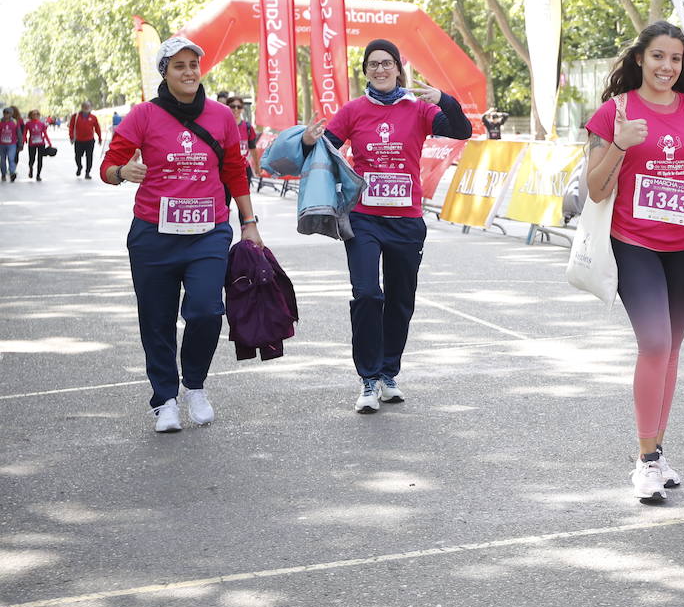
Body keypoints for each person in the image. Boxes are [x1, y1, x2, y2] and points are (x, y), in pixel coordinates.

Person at [583, 20, 684, 503]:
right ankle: (646, 461)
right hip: (635, 244)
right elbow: (595, 187)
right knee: (653, 342)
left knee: (670, 350)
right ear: (639, 60)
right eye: (658, 57)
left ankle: (657, 449)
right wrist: (622, 145)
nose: (667, 67)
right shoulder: (614, 113)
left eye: (676, 59)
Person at [99, 36, 264, 433]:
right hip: (153, 235)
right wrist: (123, 173)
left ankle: (194, 385)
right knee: (156, 320)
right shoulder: (143, 115)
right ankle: (165, 400)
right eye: (179, 66)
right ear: (165, 73)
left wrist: (249, 222)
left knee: (207, 309)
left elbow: (234, 172)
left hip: (207, 233)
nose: (189, 72)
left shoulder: (222, 116)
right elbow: (107, 167)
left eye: (194, 65)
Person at [301, 39, 473, 413]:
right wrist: (307, 141)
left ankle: (388, 374)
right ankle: (367, 379)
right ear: (365, 70)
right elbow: (322, 151)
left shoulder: (419, 109)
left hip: (406, 222)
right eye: (373, 64)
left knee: (399, 300)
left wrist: (443, 98)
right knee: (367, 294)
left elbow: (463, 131)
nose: (380, 70)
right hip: (363, 219)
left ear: (398, 68)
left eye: (387, 63)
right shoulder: (352, 111)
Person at [227, 97, 260, 181]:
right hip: (226, 170)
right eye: (233, 106)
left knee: (244, 194)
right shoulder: (223, 126)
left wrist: (257, 167)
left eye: (239, 107)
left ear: (242, 109)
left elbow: (253, 149)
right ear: (227, 107)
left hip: (244, 169)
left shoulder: (248, 128)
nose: (236, 109)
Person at [69, 101, 103, 179]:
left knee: (89, 157)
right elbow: (71, 127)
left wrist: (100, 138)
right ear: (82, 107)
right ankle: (79, 167)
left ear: (90, 107)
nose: (86, 108)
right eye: (85, 106)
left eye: (88, 107)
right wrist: (71, 137)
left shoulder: (93, 117)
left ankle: (87, 172)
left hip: (89, 140)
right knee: (77, 156)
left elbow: (97, 128)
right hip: (79, 140)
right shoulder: (75, 116)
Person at [22, 110, 50, 180]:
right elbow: (25, 132)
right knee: (32, 158)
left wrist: (49, 142)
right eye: (34, 114)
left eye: (37, 114)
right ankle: (31, 169)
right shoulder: (28, 124)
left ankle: (38, 175)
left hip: (41, 143)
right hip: (32, 143)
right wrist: (24, 140)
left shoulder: (41, 124)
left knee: (40, 159)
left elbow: (45, 133)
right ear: (30, 115)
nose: (35, 115)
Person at [0, 106, 20, 182]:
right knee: (2, 160)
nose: (6, 115)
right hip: (2, 144)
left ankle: (12, 173)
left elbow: (19, 133)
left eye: (8, 113)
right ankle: (3, 173)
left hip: (12, 144)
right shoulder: (1, 122)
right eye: (5, 113)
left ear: (11, 114)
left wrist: (20, 144)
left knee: (11, 158)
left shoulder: (14, 122)